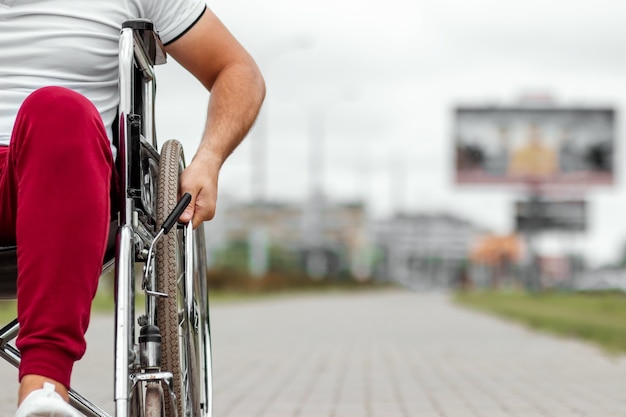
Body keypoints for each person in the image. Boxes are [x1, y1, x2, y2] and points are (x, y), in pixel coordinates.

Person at [0, 1, 265, 416]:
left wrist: (209, 159)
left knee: (58, 109)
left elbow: (237, 70)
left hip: (61, 169)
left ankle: (44, 390)